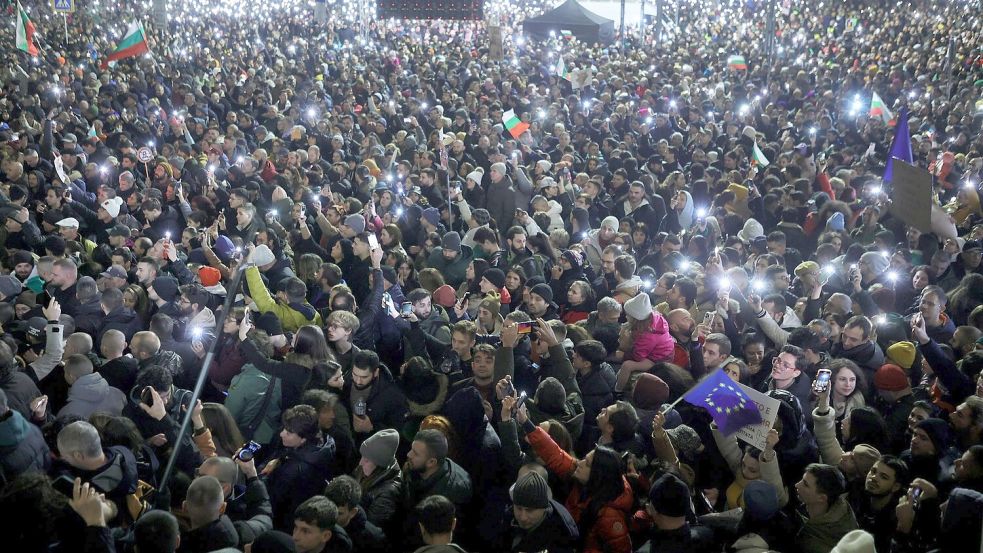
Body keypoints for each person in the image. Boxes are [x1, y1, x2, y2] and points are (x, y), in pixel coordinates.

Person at [263, 405, 336, 531]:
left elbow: (271, 502)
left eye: (288, 433)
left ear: (303, 439)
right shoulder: (324, 446)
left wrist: (255, 476)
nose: (281, 434)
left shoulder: (292, 471)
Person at [794, 463, 859, 553]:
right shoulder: (839, 508)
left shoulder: (816, 544)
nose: (797, 485)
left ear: (822, 498)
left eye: (805, 484)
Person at [323, 475, 388, 553]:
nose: (331, 517)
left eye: (339, 513)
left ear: (353, 512)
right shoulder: (315, 519)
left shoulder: (372, 539)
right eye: (328, 509)